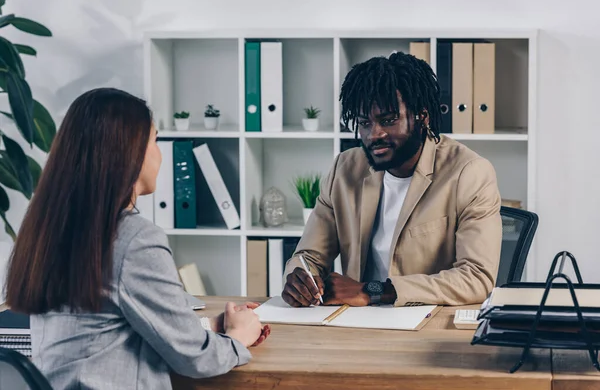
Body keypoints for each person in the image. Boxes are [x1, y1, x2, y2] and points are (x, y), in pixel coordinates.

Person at [3, 88, 270, 389]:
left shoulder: (49, 230)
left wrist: (207, 326)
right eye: (155, 140)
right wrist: (239, 337)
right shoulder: (134, 239)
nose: (160, 153)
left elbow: (104, 328)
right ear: (130, 153)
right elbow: (198, 360)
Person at [282, 51, 502, 308]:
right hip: (354, 323)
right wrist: (300, 278)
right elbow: (309, 255)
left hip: (426, 324)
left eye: (388, 120)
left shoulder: (469, 173)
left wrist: (372, 291)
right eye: (365, 122)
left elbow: (476, 277)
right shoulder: (345, 170)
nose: (374, 134)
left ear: (423, 117)